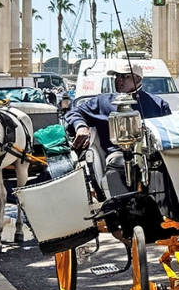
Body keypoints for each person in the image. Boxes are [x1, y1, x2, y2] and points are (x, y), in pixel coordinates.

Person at [64, 64, 171, 194]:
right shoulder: (102, 102)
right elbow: (74, 113)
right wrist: (81, 127)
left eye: (125, 76)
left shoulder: (158, 104)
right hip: (118, 153)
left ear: (138, 79)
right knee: (117, 170)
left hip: (153, 153)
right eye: (117, 76)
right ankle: (124, 205)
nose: (119, 80)